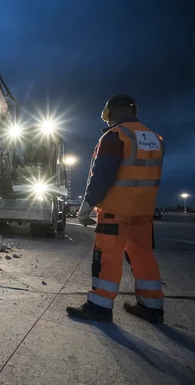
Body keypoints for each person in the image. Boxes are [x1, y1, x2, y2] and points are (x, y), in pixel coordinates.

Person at [66, 94, 165, 324]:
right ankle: (151, 307)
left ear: (110, 112)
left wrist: (87, 203)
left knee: (107, 257)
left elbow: (103, 173)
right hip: (143, 212)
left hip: (115, 210)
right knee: (143, 257)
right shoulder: (155, 138)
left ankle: (99, 306)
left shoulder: (116, 135)